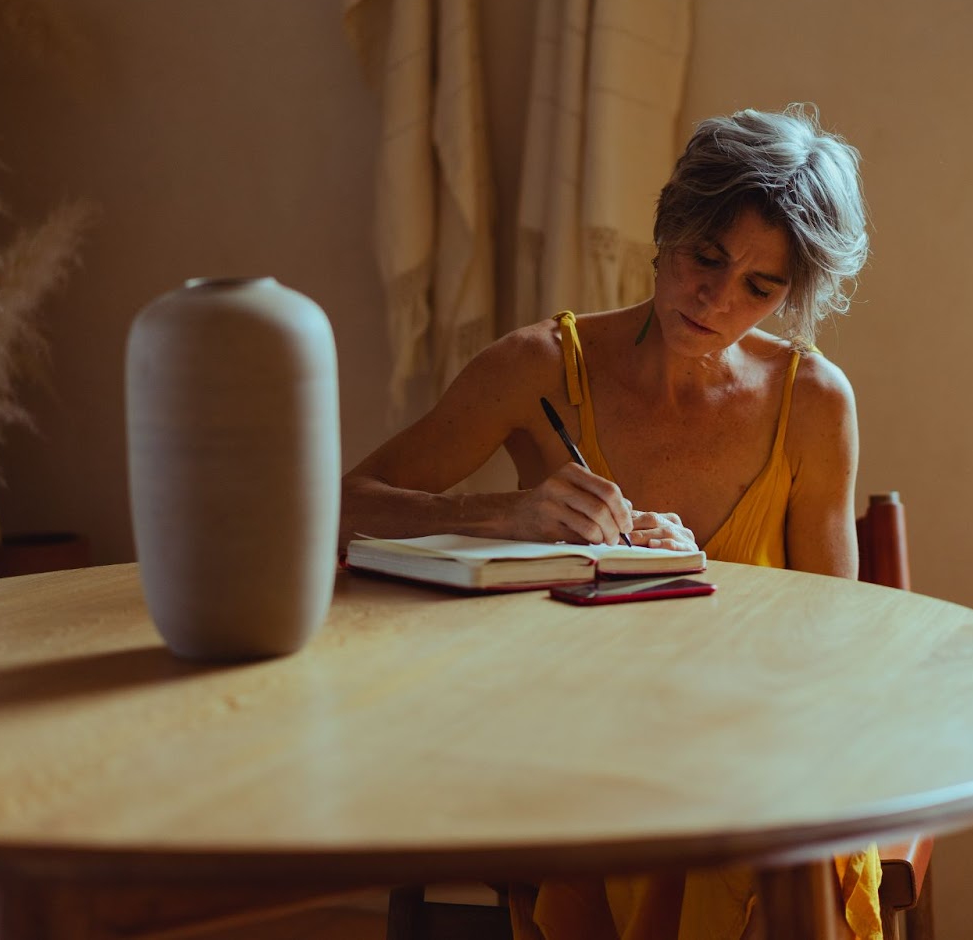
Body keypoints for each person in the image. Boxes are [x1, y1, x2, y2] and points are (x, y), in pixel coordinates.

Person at [340, 103, 877, 940]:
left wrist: (711, 581)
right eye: (706, 257)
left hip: (756, 744)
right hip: (575, 739)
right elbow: (338, 510)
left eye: (760, 287)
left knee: (739, 828)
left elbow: (833, 642)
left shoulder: (812, 402)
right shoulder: (539, 367)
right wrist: (505, 514)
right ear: (667, 231)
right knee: (644, 821)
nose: (716, 297)